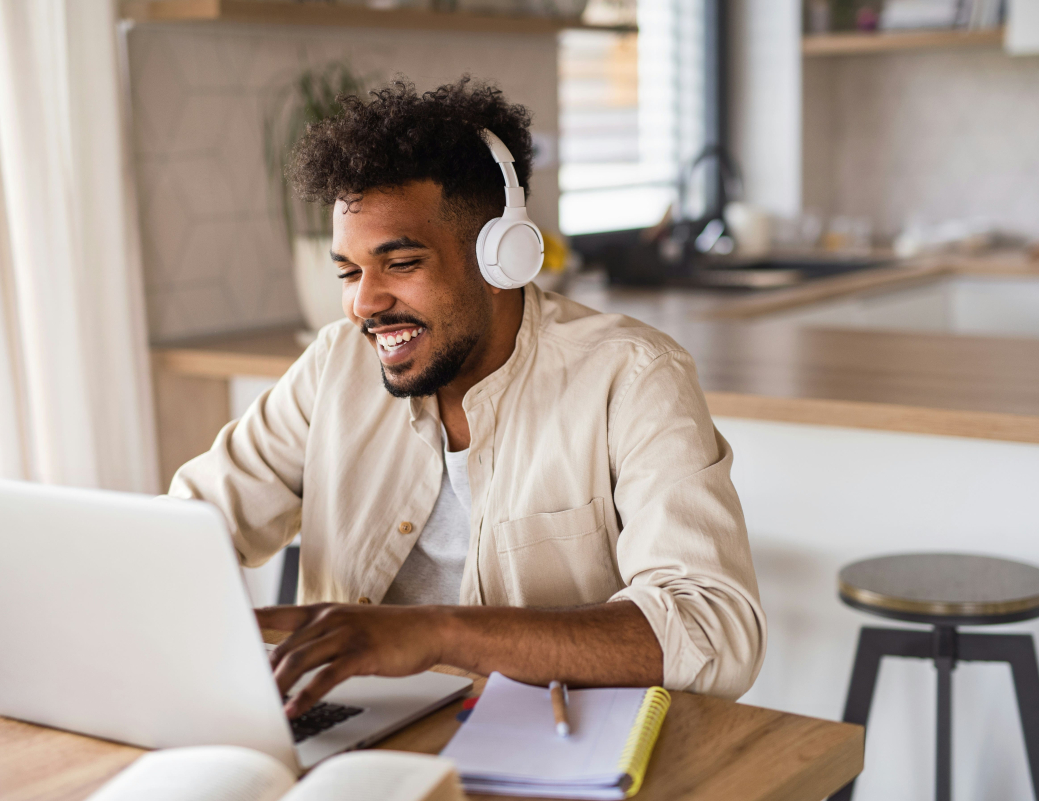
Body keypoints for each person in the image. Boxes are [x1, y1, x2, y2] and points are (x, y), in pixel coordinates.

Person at [169, 77, 765, 719]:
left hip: (549, 742)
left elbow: (714, 626)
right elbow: (190, 530)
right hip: (356, 735)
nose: (364, 304)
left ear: (501, 258)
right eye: (348, 271)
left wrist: (437, 634)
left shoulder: (633, 376)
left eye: (400, 264)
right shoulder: (335, 365)